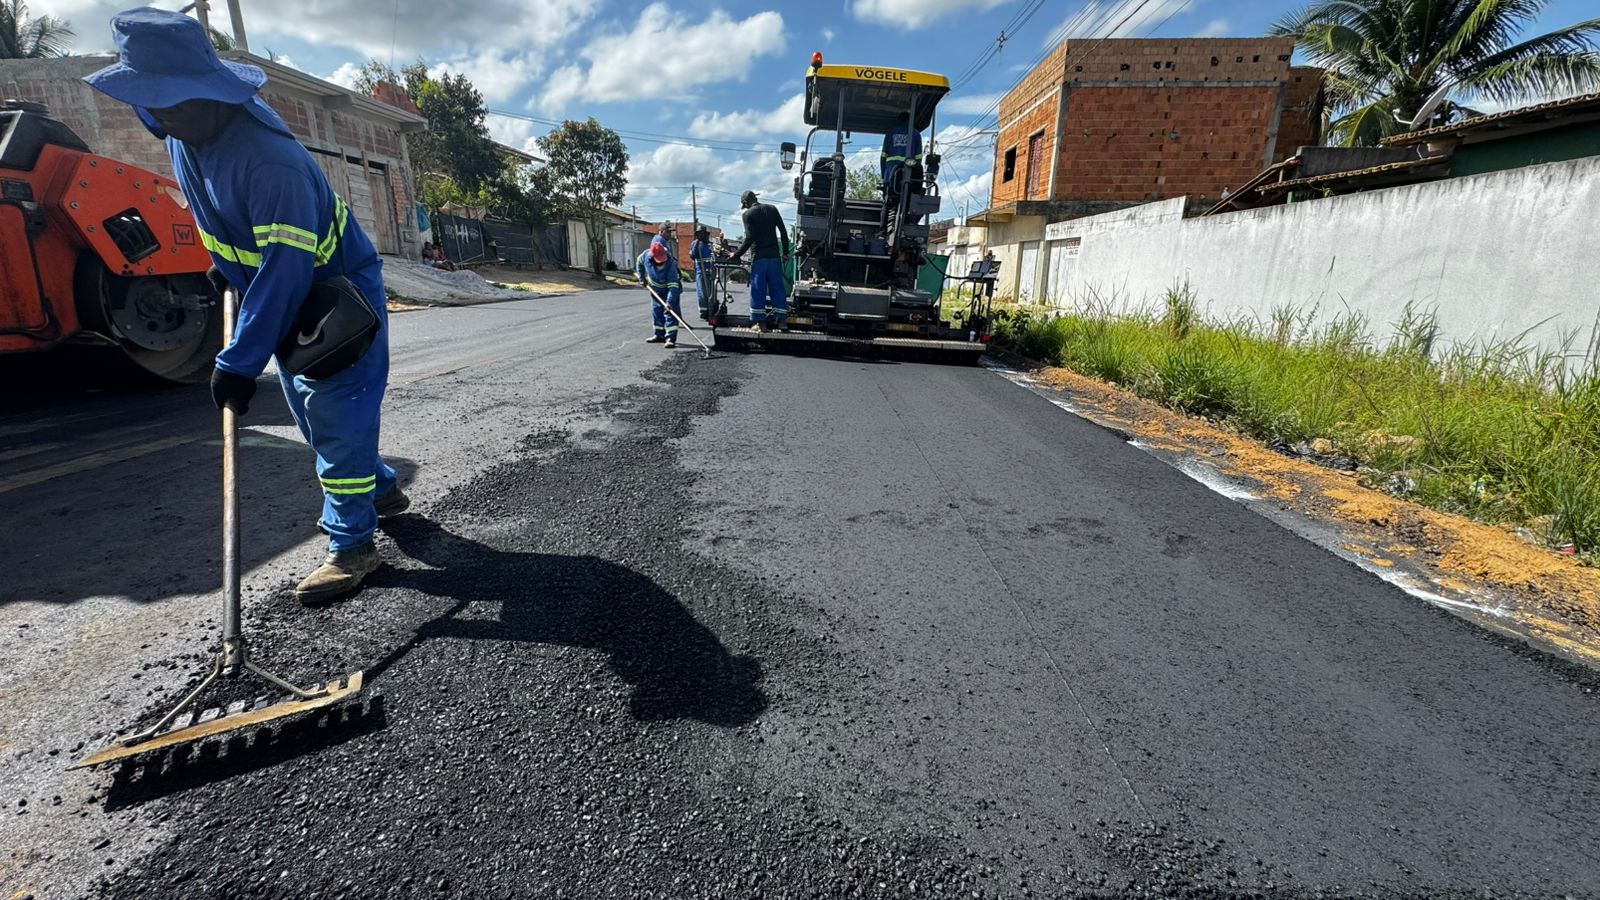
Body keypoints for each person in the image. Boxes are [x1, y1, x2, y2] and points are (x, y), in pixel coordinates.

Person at [86, 7, 407, 604]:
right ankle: (380, 487)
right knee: (310, 415)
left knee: (334, 414)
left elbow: (287, 270)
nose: (162, 114)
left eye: (172, 101)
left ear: (210, 92)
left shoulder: (269, 160)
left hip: (335, 297)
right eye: (151, 102)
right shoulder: (186, 136)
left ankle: (352, 546)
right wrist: (226, 264)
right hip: (280, 293)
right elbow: (222, 219)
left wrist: (239, 360)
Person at [728, 190, 789, 330]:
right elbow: (783, 231)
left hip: (759, 258)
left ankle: (759, 323)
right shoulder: (772, 209)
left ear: (745, 203)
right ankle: (782, 321)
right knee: (777, 288)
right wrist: (785, 252)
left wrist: (736, 254)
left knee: (758, 289)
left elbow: (750, 237)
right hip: (774, 257)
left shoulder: (748, 214)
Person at [634, 241, 683, 349]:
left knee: (670, 313)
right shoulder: (646, 256)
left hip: (669, 290)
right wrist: (642, 278)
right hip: (655, 290)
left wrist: (669, 302)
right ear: (652, 257)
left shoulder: (670, 264)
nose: (661, 262)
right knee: (656, 311)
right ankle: (659, 335)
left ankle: (670, 338)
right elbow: (639, 263)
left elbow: (673, 287)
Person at [880, 111, 923, 197]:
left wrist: (883, 176)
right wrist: (916, 173)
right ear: (910, 121)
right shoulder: (916, 134)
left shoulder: (890, 132)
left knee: (889, 198)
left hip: (890, 173)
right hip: (908, 175)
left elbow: (883, 156)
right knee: (906, 199)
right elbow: (918, 157)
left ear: (899, 120)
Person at [688, 226, 716, 318]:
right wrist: (697, 243)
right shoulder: (695, 244)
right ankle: (704, 311)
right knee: (702, 292)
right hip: (701, 271)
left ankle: (711, 309)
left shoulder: (711, 245)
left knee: (711, 292)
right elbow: (693, 255)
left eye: (703, 234)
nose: (702, 236)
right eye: (699, 234)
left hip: (711, 270)